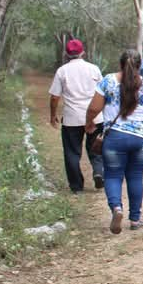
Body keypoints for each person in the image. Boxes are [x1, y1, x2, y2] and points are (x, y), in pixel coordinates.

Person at [85, 48, 143, 234]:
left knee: (113, 175)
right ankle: (135, 219)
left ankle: (117, 208)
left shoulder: (108, 81)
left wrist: (89, 123)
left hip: (115, 138)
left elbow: (93, 108)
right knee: (135, 176)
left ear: (120, 64)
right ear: (141, 65)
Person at [49, 39, 104, 195]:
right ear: (83, 52)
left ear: (67, 54)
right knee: (97, 147)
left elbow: (54, 97)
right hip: (95, 116)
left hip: (72, 118)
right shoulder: (94, 69)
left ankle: (77, 186)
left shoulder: (62, 71)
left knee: (72, 152)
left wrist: (53, 115)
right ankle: (99, 171)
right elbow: (103, 93)